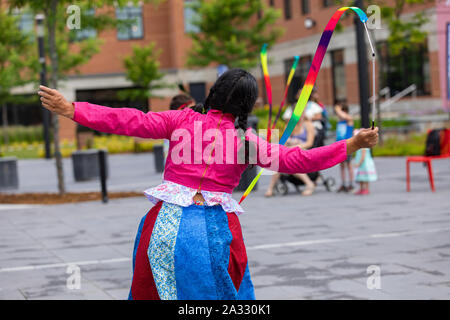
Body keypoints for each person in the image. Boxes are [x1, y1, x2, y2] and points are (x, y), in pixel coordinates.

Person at [37, 68, 378, 300]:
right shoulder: (247, 142)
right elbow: (298, 160)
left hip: (163, 225)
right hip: (216, 229)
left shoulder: (180, 119)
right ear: (248, 105)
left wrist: (73, 109)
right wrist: (352, 144)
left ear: (214, 93)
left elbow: (130, 120)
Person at [265, 116, 316, 197]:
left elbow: (310, 143)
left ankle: (309, 184)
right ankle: (271, 188)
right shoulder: (289, 125)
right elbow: (284, 142)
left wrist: (296, 146)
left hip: (303, 151)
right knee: (278, 162)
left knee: (290, 162)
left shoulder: (308, 125)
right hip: (290, 151)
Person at [334, 101, 355, 192]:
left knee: (349, 164)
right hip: (340, 145)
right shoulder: (340, 121)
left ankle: (351, 184)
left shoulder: (349, 119)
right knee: (342, 165)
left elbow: (344, 116)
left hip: (348, 145)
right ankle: (343, 184)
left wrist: (337, 109)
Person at [353, 130, 378, 195]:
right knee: (360, 177)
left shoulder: (363, 146)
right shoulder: (358, 145)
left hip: (365, 163)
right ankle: (361, 188)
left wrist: (359, 163)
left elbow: (363, 156)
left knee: (365, 176)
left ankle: (366, 189)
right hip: (361, 162)